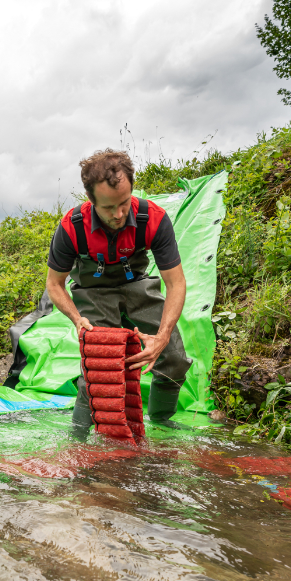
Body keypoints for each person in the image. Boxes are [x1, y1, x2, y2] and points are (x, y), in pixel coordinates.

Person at [46, 149, 192, 430]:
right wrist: (77, 319)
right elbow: (54, 284)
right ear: (91, 201)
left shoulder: (153, 219)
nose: (119, 214)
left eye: (124, 203)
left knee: (173, 356)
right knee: (99, 368)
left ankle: (162, 424)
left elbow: (176, 283)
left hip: (138, 286)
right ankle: (78, 437)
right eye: (109, 207)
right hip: (93, 294)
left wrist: (161, 337)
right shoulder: (72, 228)